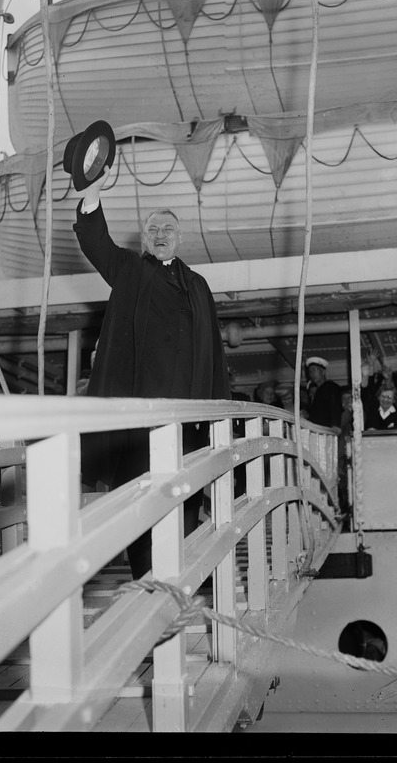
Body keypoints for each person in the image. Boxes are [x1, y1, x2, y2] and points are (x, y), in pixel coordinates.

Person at [72, 166, 230, 580]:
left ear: (180, 238)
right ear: (145, 238)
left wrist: (216, 417)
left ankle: (187, 584)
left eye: (168, 229)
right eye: (154, 229)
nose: (161, 234)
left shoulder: (198, 285)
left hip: (189, 423)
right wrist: (92, 196)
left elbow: (213, 354)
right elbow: (96, 243)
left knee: (187, 504)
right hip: (142, 424)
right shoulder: (130, 271)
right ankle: (147, 584)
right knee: (143, 505)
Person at [305, 356, 343, 430]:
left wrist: (335, 425)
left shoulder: (330, 387)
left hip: (326, 430)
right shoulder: (315, 391)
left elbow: (335, 406)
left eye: (314, 370)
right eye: (310, 371)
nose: (312, 374)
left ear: (323, 371)